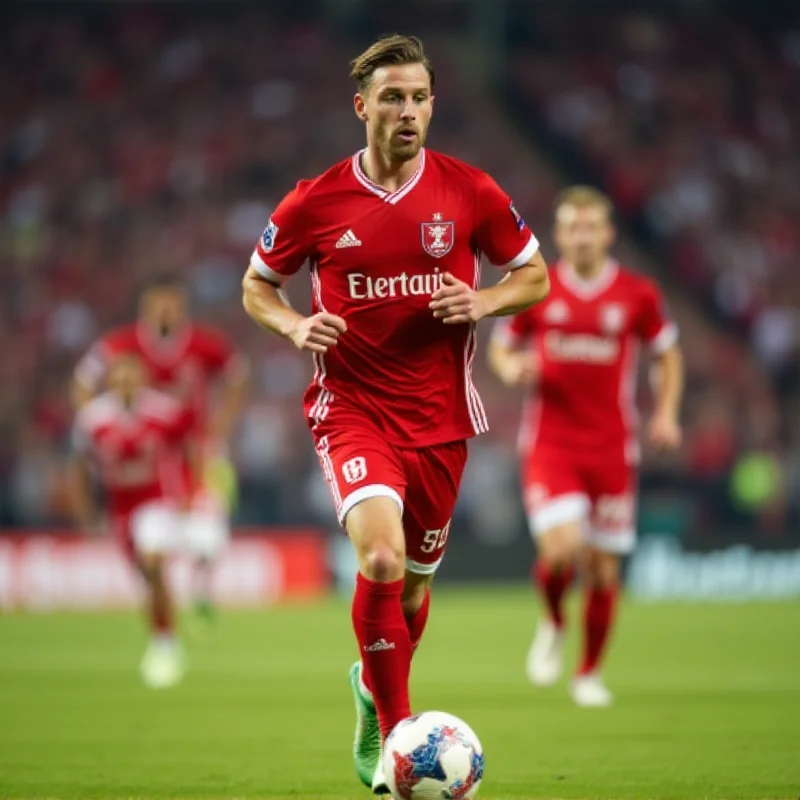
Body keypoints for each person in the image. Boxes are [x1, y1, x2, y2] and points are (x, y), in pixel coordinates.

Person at [241, 33, 549, 793]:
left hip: (441, 419)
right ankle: (395, 736)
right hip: (351, 409)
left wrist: (484, 299)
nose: (407, 111)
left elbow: (534, 275)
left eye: (418, 98)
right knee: (378, 559)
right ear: (362, 107)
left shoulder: (469, 190)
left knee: (412, 590)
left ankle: (373, 689)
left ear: (432, 105)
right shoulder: (314, 201)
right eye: (391, 98)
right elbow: (257, 285)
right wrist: (291, 325)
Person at [488, 185, 684, 707]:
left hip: (612, 448)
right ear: (559, 233)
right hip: (552, 444)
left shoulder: (637, 295)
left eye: (590, 227)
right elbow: (501, 346)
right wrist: (511, 369)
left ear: (607, 232)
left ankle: (588, 673)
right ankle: (553, 619)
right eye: (571, 227)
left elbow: (668, 354)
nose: (581, 236)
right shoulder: (538, 288)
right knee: (562, 551)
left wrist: (665, 412)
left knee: (601, 566)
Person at [73, 275, 249, 624]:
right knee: (157, 535)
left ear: (182, 307)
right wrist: (96, 419)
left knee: (209, 529)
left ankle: (201, 586)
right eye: (158, 304)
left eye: (172, 304)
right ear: (146, 308)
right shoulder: (123, 343)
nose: (165, 311)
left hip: (200, 448)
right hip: (153, 454)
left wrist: (221, 426)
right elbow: (83, 379)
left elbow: (238, 377)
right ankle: (166, 599)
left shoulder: (205, 344)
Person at [71, 353, 200, 688]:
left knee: (153, 561)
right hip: (120, 511)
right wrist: (87, 512)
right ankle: (163, 638)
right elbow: (80, 468)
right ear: (112, 381)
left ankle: (166, 645)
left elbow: (190, 448)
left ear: (142, 380)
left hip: (157, 502)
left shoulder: (163, 413)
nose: (127, 384)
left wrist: (189, 492)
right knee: (148, 578)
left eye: (132, 377)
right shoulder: (94, 420)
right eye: (120, 378)